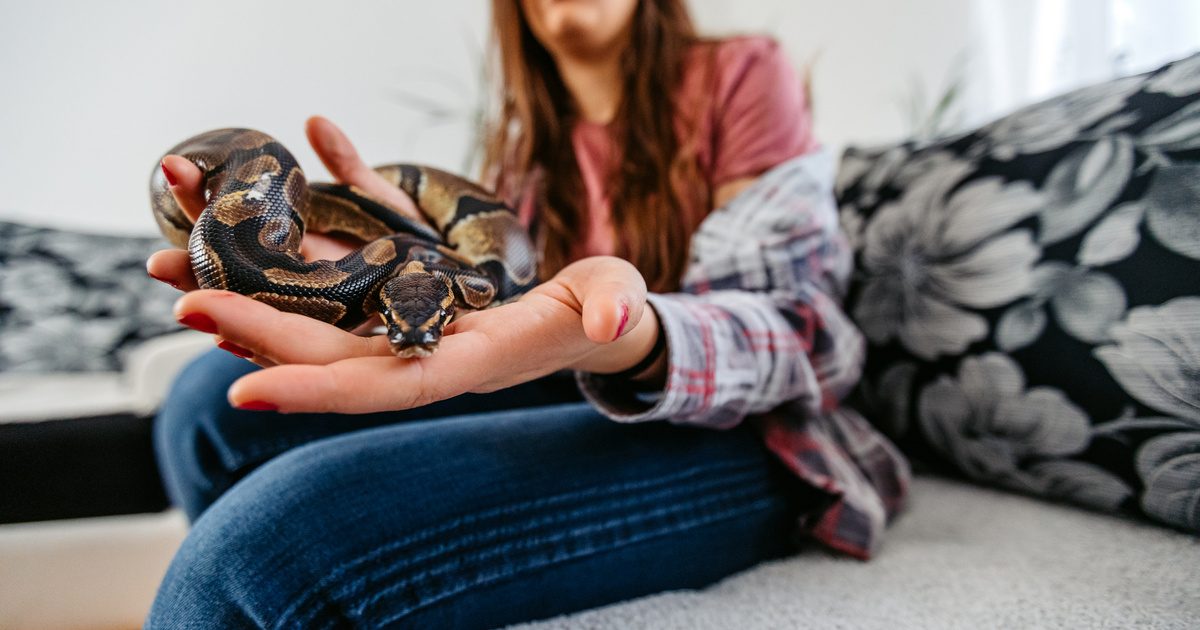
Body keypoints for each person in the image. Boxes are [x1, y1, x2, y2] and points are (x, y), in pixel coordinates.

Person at [145, 0, 910, 627]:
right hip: (570, 384)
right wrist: (399, 246)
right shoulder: (529, 138)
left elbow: (804, 339)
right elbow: (497, 297)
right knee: (203, 411)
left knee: (256, 555)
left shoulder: (742, 74)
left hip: (752, 436)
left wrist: (631, 335)